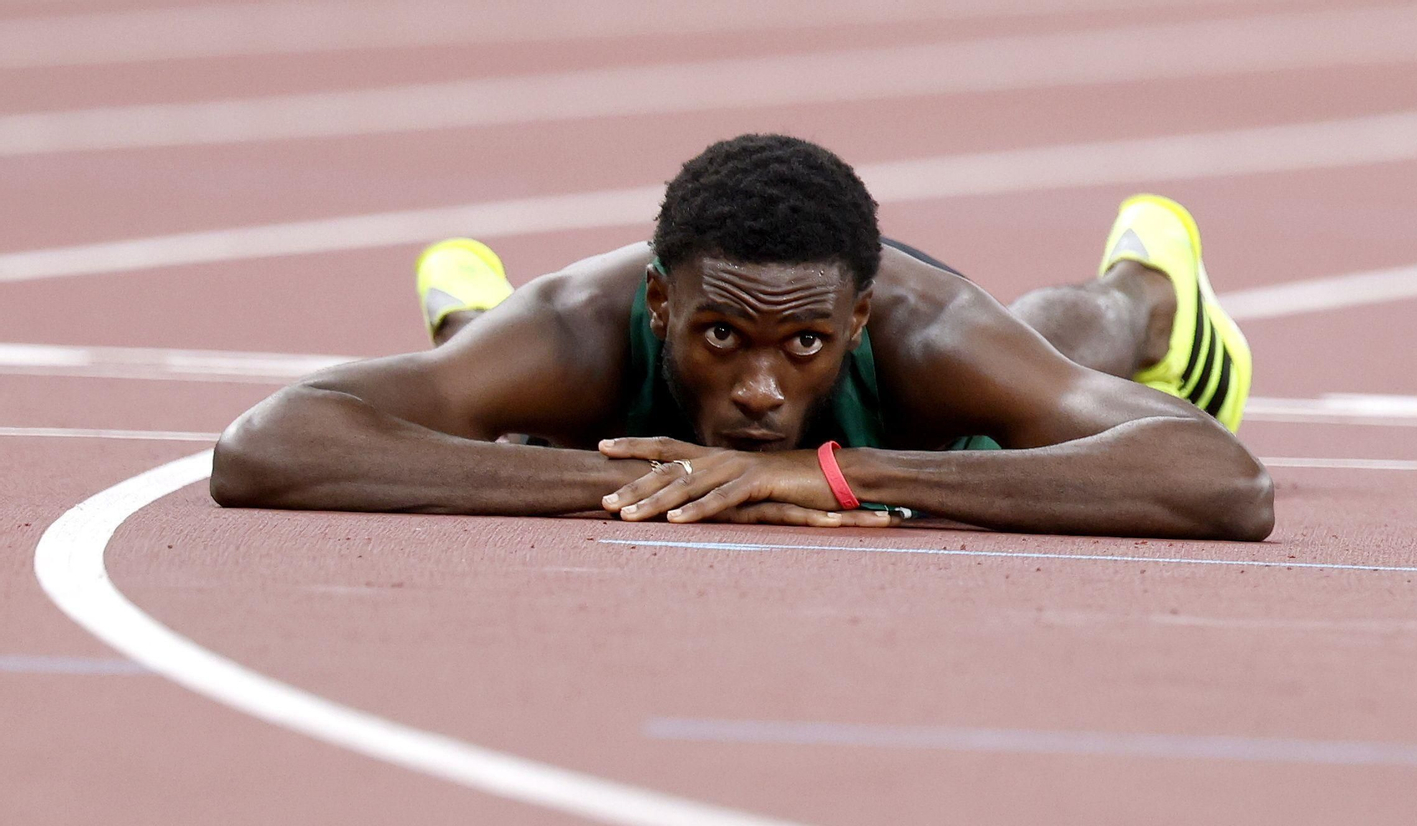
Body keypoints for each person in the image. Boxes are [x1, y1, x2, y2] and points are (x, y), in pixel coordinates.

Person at [211, 134, 1273, 539]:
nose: (761, 388)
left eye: (804, 346)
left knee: (1041, 347)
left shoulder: (922, 326)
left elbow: (1224, 481)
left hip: (933, 377)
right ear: (660, 305)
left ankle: (1147, 286)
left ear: (855, 321)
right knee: (513, 387)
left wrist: (839, 473)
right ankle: (474, 327)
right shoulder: (584, 324)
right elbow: (266, 446)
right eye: (721, 336)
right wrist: (649, 483)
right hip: (580, 360)